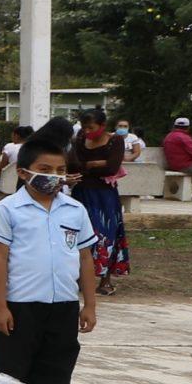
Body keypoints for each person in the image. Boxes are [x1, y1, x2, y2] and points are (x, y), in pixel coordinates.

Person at [0, 136, 98, 384]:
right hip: (20, 307)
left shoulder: (75, 210)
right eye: (45, 170)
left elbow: (86, 258)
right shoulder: (8, 210)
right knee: (12, 375)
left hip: (62, 307)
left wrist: (88, 304)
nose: (55, 176)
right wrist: (0, 306)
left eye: (61, 170)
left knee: (55, 375)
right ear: (23, 172)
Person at [67, 110, 131, 295]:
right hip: (81, 192)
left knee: (107, 233)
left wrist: (90, 166)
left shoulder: (115, 140)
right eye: (85, 127)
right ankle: (79, 278)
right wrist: (96, 164)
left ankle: (105, 280)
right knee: (80, 234)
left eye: (91, 128)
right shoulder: (79, 139)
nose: (87, 131)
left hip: (105, 195)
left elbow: (112, 166)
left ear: (102, 126)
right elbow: (73, 164)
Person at [160, 117, 192, 199]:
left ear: (174, 126)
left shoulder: (168, 137)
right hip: (185, 165)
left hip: (173, 165)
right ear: (188, 127)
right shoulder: (185, 138)